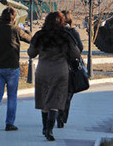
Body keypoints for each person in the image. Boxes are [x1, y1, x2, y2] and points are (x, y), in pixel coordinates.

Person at [28, 11, 81, 141]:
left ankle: (45, 127)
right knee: (56, 101)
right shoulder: (66, 36)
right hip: (60, 72)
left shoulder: (40, 35)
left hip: (43, 71)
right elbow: (76, 54)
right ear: (62, 22)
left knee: (44, 99)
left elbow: (31, 53)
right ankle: (50, 130)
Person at [0, 6, 31, 132]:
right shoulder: (16, 30)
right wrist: (26, 31)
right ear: (14, 18)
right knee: (12, 97)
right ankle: (9, 123)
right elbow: (30, 40)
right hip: (12, 68)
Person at [57, 10, 84, 128]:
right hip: (70, 66)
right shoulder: (73, 32)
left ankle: (56, 113)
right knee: (68, 93)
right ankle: (61, 117)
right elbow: (80, 47)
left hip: (55, 65)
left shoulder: (53, 32)